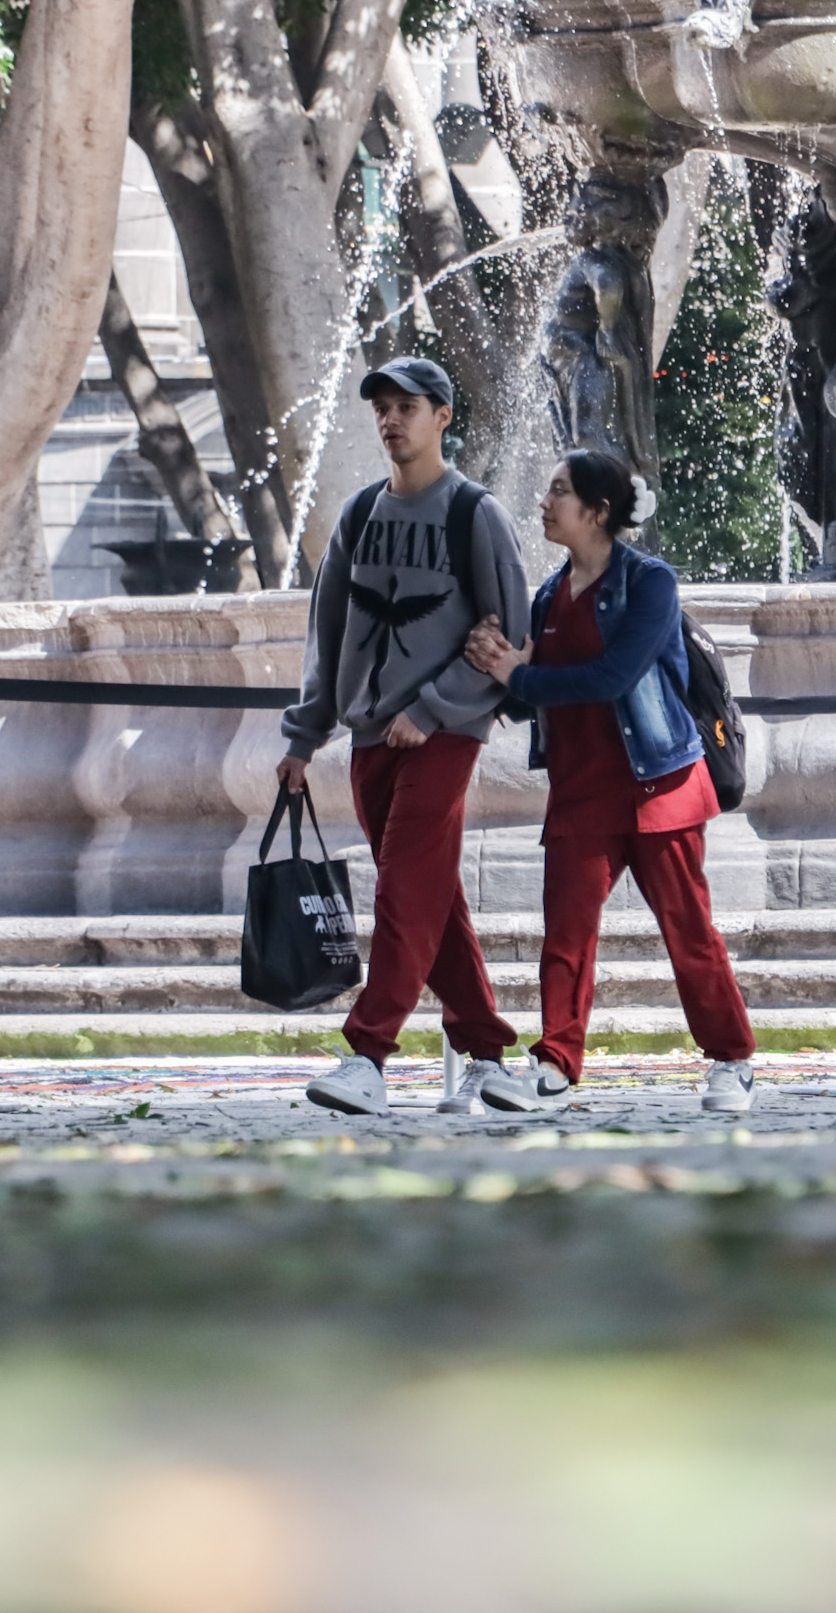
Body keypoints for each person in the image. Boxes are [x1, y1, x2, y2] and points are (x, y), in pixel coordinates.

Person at [462, 450, 758, 1114]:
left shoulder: (650, 583)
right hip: (581, 788)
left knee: (690, 932)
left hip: (660, 782)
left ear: (596, 512)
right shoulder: (546, 596)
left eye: (559, 492)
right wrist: (490, 663)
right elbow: (528, 699)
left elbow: (612, 678)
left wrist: (516, 674)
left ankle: (732, 1059)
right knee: (565, 936)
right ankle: (555, 1064)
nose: (544, 502)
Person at [280, 359, 533, 1118]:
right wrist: (305, 734)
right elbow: (328, 638)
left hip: (444, 736)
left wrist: (434, 707)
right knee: (430, 897)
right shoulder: (359, 516)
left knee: (402, 889)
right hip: (367, 737)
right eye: (382, 409)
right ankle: (488, 1055)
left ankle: (368, 1054)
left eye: (407, 407)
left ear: (443, 417)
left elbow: (509, 634)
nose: (391, 421)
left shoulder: (475, 514)